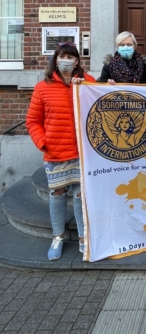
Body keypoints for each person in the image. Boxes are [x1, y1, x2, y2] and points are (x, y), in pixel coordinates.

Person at [26, 43, 96, 261]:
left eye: (70, 57)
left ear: (77, 61)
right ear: (56, 59)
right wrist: (42, 142)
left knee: (79, 195)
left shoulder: (88, 82)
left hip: (82, 151)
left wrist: (85, 86)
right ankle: (58, 237)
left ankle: (84, 238)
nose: (66, 60)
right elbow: (32, 121)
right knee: (57, 194)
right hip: (55, 152)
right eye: (62, 56)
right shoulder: (43, 87)